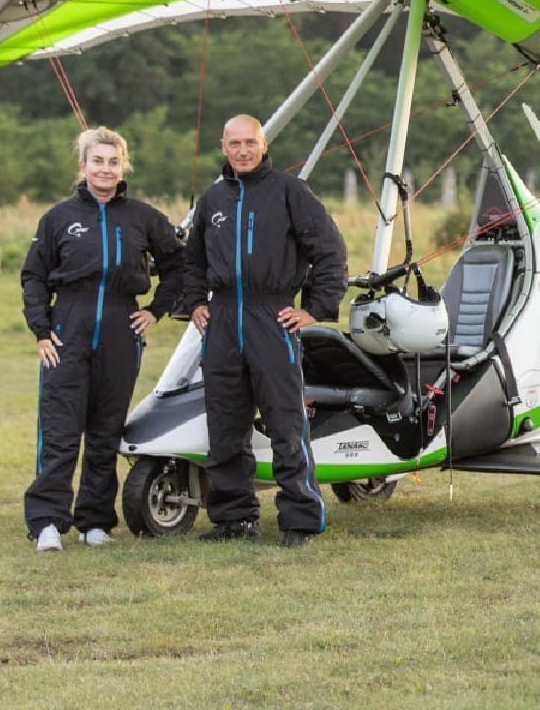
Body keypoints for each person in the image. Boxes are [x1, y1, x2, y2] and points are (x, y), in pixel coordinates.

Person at [183, 113, 347, 548]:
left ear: (263, 143)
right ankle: (234, 518)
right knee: (225, 425)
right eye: (234, 143)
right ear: (223, 146)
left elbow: (330, 251)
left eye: (250, 142)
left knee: (286, 423)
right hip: (223, 321)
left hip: (271, 317)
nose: (242, 150)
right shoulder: (212, 200)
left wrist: (315, 308)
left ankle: (300, 519)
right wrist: (196, 302)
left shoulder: (290, 192)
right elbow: (192, 262)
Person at [22, 126, 183, 552]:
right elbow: (34, 277)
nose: (105, 169)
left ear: (122, 166)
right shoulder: (58, 218)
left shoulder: (143, 217)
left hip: (121, 326)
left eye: (113, 162)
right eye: (98, 161)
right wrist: (42, 330)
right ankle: (47, 522)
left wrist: (155, 310)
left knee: (105, 430)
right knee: (60, 431)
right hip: (68, 327)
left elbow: (178, 264)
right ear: (83, 165)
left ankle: (95, 521)